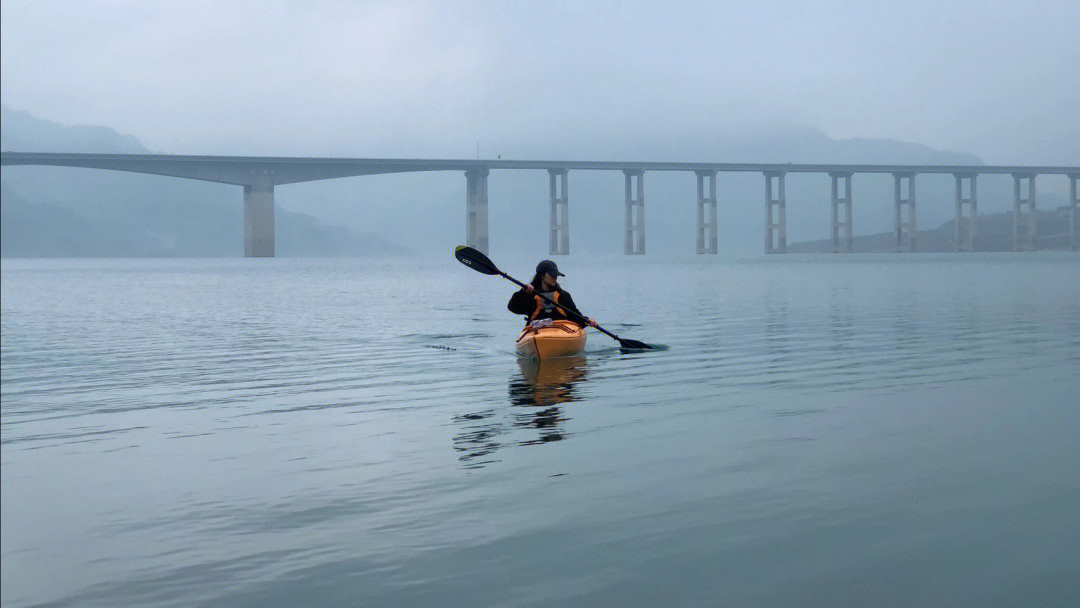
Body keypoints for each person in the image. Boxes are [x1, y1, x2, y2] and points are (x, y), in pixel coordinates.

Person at [508, 260, 598, 328]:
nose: (555, 278)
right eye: (552, 275)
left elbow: (575, 316)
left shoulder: (563, 295)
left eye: (556, 275)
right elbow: (513, 308)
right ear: (542, 275)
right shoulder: (530, 294)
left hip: (561, 332)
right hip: (537, 332)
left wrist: (587, 320)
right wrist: (522, 292)